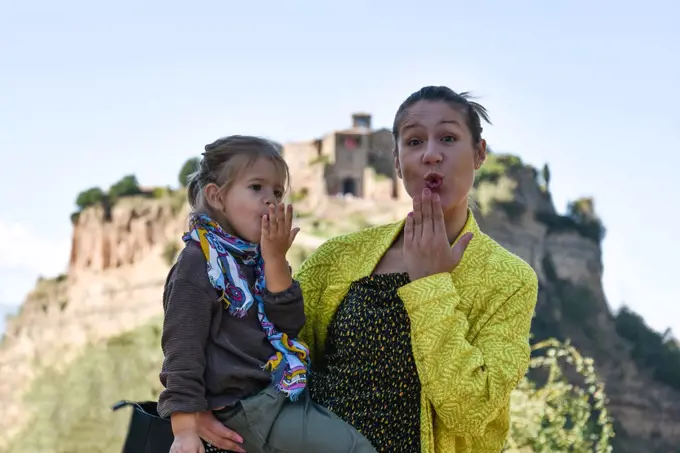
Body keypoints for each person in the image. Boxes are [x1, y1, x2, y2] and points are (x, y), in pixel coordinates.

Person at [192, 87, 539, 453]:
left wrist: (431, 284)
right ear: (397, 161)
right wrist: (197, 403)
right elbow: (264, 339)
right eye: (415, 141)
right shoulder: (340, 256)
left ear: (479, 153)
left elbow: (468, 411)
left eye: (449, 138)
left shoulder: (508, 280)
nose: (431, 154)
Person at [157, 135, 377, 453]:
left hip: (277, 394)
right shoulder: (198, 262)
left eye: (276, 191)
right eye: (256, 187)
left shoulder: (256, 257)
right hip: (247, 407)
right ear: (217, 197)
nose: (270, 200)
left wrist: (275, 260)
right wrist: (185, 431)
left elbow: (288, 325)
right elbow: (181, 349)